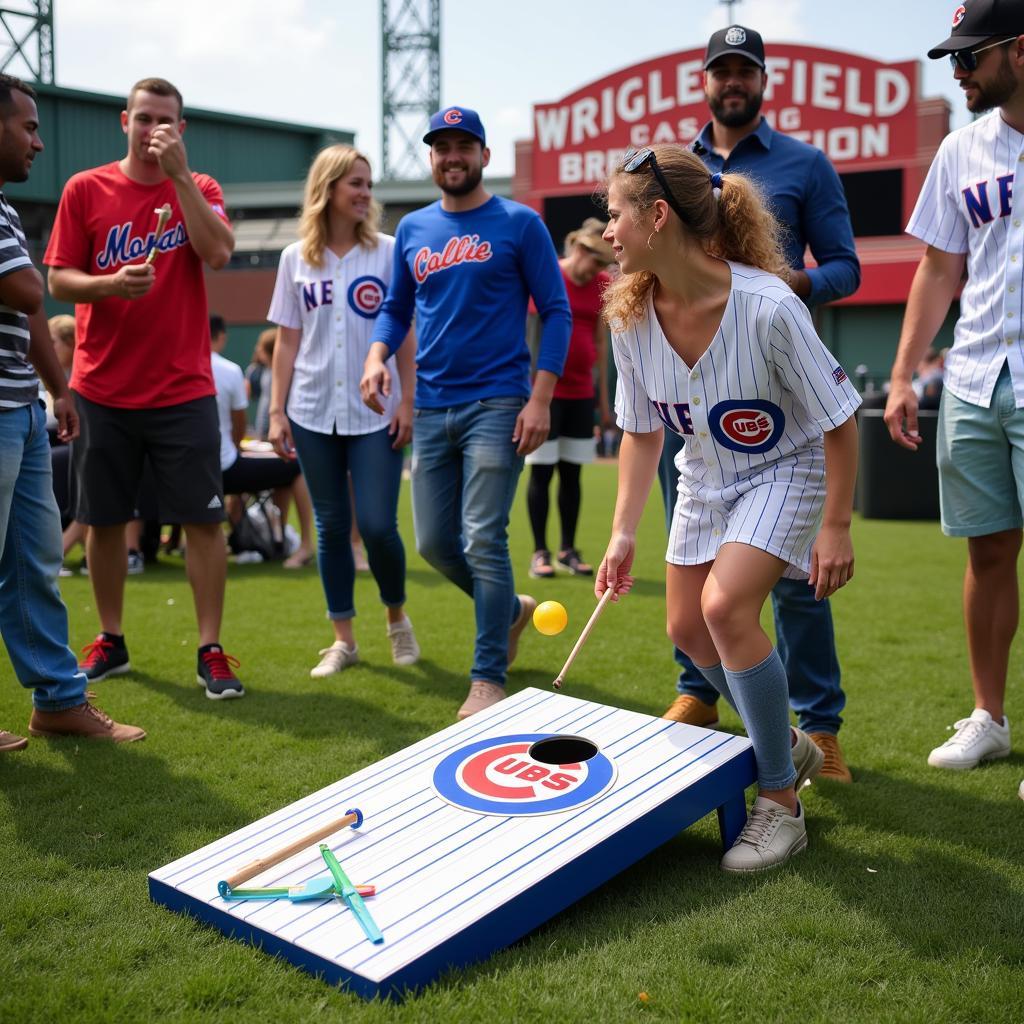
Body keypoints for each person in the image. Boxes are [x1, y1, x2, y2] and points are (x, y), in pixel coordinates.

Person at [597, 145, 861, 869]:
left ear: (657, 217)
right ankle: (791, 742)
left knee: (725, 609)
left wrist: (835, 526)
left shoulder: (770, 305)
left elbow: (839, 420)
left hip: (788, 468)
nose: (607, 231)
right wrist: (622, 534)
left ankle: (780, 800)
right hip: (704, 477)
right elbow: (641, 432)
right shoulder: (629, 316)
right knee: (686, 626)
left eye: (616, 214)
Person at [658, 25, 862, 784]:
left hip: (776, 391)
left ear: (763, 79)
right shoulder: (672, 170)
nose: (732, 81)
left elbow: (845, 268)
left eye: (745, 70)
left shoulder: (805, 165)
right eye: (721, 70)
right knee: (695, 570)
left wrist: (772, 288)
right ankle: (700, 693)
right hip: (692, 397)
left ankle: (819, 722)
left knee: (793, 578)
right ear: (704, 80)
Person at [361, 105, 572, 719]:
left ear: (483, 155)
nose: (452, 156)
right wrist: (377, 356)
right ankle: (509, 612)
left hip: (499, 402)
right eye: (440, 147)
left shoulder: (519, 223)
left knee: (484, 537)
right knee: (432, 542)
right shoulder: (412, 229)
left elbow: (555, 311)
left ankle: (487, 678)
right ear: (431, 158)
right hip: (430, 405)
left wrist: (540, 397)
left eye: (463, 146)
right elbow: (396, 309)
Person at [44, 76, 244, 700]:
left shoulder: (200, 186)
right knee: (104, 520)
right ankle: (112, 639)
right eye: (144, 118)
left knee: (203, 522)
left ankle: (210, 648)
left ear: (180, 130)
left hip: (183, 387)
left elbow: (218, 254)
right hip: (103, 385)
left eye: (166, 120)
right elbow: (56, 280)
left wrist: (181, 177)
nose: (153, 129)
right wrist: (108, 285)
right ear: (123, 120)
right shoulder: (86, 188)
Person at [883, 2, 1024, 803]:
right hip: (975, 376)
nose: (960, 71)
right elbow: (938, 268)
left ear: (1021, 50)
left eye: (973, 56)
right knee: (988, 552)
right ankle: (990, 716)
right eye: (953, 59)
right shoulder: (961, 148)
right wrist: (903, 374)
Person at [0, 73, 144, 750]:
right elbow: (29, 288)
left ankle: (58, 701)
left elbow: (28, 314)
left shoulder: (3, 210)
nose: (38, 140)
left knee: (35, 565)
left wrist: (57, 391)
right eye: (27, 127)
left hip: (21, 411)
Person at [268, 144, 420, 676]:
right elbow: (286, 342)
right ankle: (343, 640)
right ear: (328, 188)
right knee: (331, 528)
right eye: (356, 183)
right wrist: (276, 411)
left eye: (369, 184)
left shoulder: (388, 249)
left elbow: (404, 330)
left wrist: (408, 397)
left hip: (377, 410)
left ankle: (397, 617)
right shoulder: (295, 259)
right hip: (311, 407)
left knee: (378, 525)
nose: (365, 194)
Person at [525, 217, 613, 580]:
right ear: (578, 250)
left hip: (581, 393)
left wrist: (603, 402)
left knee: (572, 475)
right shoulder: (549, 276)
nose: (598, 269)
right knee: (542, 472)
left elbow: (600, 342)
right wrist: (531, 397)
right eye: (595, 260)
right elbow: (531, 338)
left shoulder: (603, 284)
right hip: (546, 394)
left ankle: (568, 549)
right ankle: (539, 551)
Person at [209, 315, 314, 568]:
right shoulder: (228, 370)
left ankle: (271, 533)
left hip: (178, 468)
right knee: (293, 465)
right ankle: (301, 541)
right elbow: (237, 426)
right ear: (221, 337)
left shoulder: (171, 365)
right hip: (222, 467)